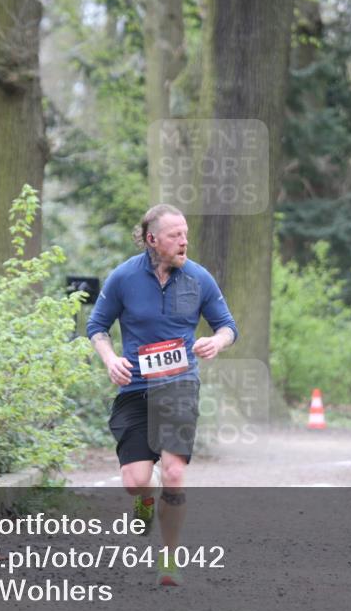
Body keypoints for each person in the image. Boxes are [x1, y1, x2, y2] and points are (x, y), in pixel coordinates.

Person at [86, 204, 237, 587]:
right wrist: (110, 359)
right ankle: (144, 500)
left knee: (173, 472)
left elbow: (227, 326)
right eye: (174, 235)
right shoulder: (123, 277)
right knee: (136, 481)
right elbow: (97, 326)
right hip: (135, 388)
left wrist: (216, 342)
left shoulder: (199, 278)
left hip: (180, 385)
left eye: (185, 233)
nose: (184, 240)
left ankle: (169, 558)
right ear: (152, 239)